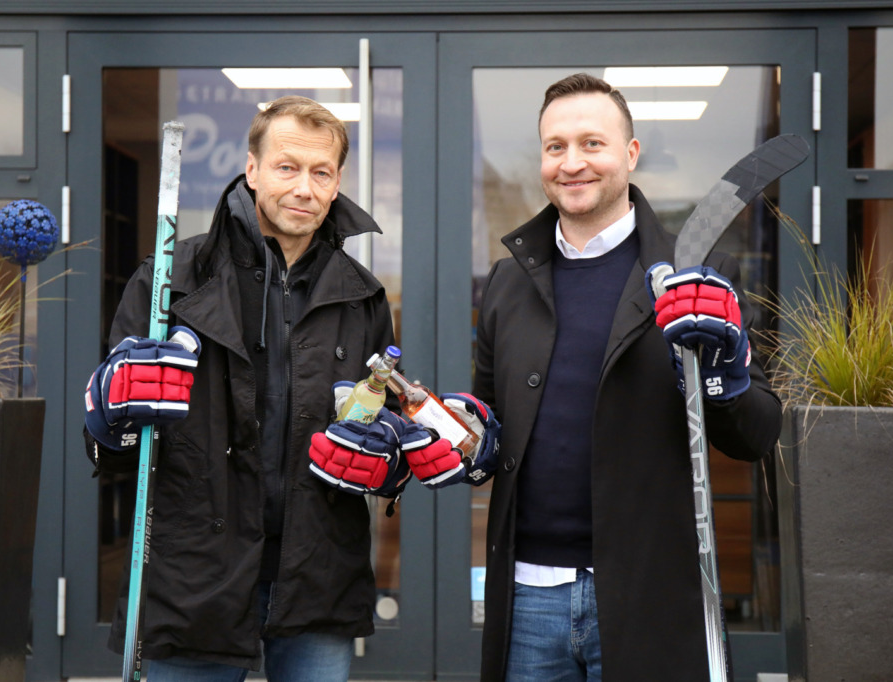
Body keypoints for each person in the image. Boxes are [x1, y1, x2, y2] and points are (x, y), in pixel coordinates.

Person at [82, 95, 466, 682]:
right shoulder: (172, 283)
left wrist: (389, 463)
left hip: (317, 576)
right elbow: (110, 449)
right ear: (253, 170)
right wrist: (111, 416)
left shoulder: (361, 296)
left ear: (338, 182)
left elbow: (379, 428)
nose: (304, 189)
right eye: (287, 167)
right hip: (194, 577)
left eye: (322, 172)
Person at [470, 73, 783, 681]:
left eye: (593, 143)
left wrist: (725, 375)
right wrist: (450, 438)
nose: (572, 163)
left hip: (649, 590)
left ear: (630, 154)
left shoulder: (700, 273)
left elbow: (755, 434)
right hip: (528, 598)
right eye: (555, 146)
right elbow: (489, 425)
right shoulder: (507, 280)